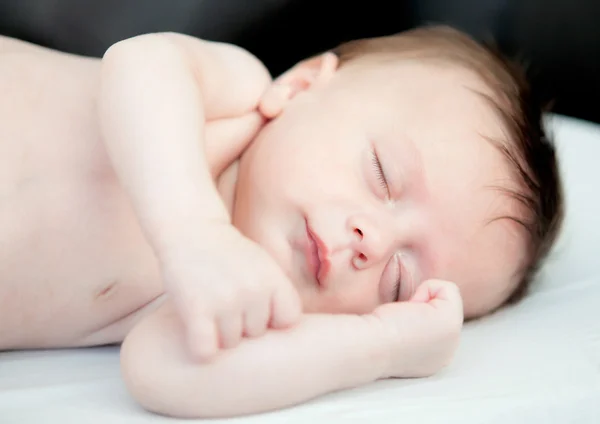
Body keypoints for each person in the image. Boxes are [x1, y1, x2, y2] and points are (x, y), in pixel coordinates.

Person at [0, 25, 563, 418]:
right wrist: (194, 232)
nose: (373, 242)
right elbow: (138, 63)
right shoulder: (234, 96)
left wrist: (380, 345)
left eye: (398, 280)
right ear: (301, 86)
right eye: (382, 175)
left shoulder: (216, 300)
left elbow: (159, 372)